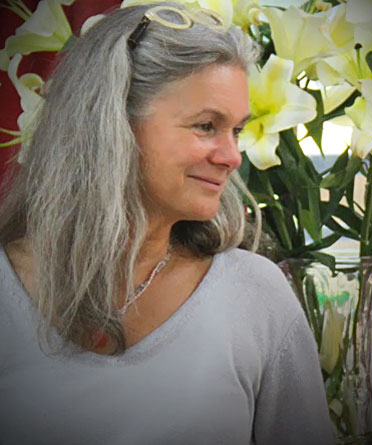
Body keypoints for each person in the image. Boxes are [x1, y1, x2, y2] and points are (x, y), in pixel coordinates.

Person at [0, 3, 335, 444]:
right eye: (206, 125)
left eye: (236, 130)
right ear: (112, 123)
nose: (232, 157)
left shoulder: (255, 295)